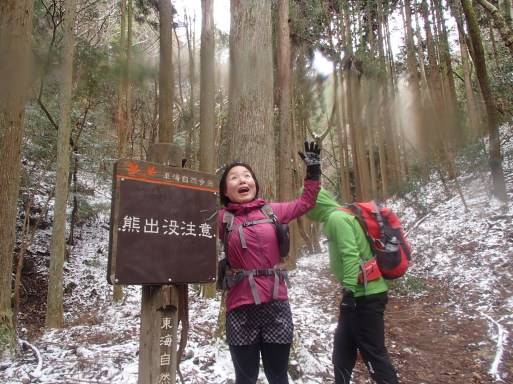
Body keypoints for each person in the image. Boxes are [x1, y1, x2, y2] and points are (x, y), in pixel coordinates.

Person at [218, 142, 321, 384]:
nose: (242, 180)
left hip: (277, 306)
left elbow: (306, 203)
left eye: (247, 176)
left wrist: (313, 172)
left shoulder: (272, 211)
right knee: (245, 379)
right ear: (224, 190)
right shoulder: (222, 219)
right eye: (234, 177)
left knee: (278, 377)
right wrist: (182, 186)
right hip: (240, 307)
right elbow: (189, 216)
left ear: (254, 183)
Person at [306, 187, 399, 384]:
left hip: (365, 295)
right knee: (342, 350)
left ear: (316, 203)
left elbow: (350, 254)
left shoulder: (337, 219)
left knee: (374, 354)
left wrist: (348, 291)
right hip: (358, 293)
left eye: (307, 203)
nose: (305, 210)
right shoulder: (339, 215)